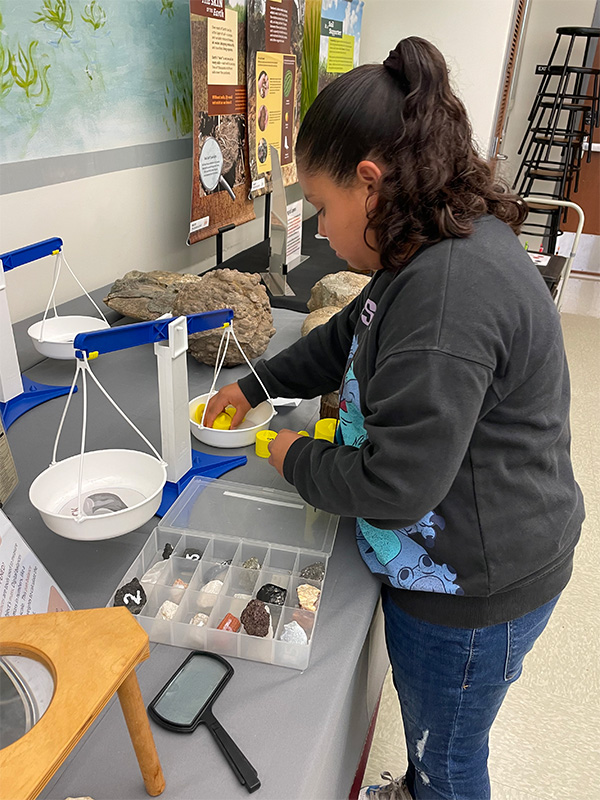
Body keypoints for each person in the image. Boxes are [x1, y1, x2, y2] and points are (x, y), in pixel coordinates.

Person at [205, 37, 584, 800]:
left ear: (370, 185)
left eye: (320, 206)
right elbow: (350, 335)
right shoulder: (417, 251)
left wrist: (282, 453)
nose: (319, 227)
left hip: (476, 587)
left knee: (448, 752)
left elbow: (397, 483)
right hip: (461, 551)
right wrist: (255, 387)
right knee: (430, 733)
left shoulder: (448, 292)